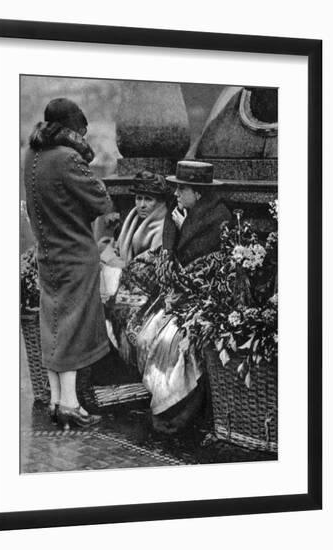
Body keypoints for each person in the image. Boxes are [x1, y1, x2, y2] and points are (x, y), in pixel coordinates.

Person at [109, 161, 232, 432]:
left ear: (198, 193)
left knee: (171, 343)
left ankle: (179, 411)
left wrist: (183, 229)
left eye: (181, 189)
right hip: (176, 295)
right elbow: (168, 260)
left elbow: (202, 270)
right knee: (143, 334)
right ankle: (165, 403)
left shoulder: (217, 218)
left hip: (203, 297)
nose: (175, 195)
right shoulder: (178, 214)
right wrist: (177, 231)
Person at [24, 98, 112, 429]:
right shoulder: (68, 158)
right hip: (76, 254)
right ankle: (71, 404)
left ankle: (57, 399)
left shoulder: (31, 154)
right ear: (73, 127)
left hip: (48, 253)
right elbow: (100, 199)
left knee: (52, 326)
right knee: (73, 328)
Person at [98, 170, 168, 301]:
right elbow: (115, 248)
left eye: (148, 199)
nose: (141, 205)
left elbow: (150, 270)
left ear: (159, 202)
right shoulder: (133, 219)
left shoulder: (163, 228)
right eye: (138, 198)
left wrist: (114, 263)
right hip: (125, 277)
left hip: (147, 289)